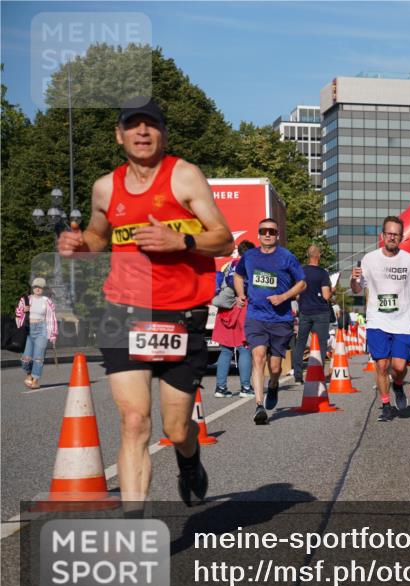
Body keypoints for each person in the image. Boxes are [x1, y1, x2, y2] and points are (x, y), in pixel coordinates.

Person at [57, 97, 234, 508]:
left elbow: (223, 238)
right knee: (134, 421)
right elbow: (100, 237)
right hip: (124, 312)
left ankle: (189, 459)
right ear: (119, 135)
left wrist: (182, 241)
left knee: (175, 429)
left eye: (150, 125)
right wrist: (80, 245)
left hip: (180, 315)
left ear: (162, 133)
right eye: (133, 125)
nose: (142, 132)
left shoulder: (185, 177)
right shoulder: (106, 187)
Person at [233, 218, 306, 425]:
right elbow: (238, 277)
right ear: (258, 234)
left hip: (281, 319)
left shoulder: (287, 257)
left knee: (275, 368)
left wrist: (283, 297)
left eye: (272, 232)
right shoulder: (249, 256)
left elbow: (302, 283)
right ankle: (258, 406)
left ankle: (273, 385)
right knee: (258, 356)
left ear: (277, 235)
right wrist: (241, 294)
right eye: (264, 231)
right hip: (256, 316)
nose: (267, 234)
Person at [350, 216, 410, 422]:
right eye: (389, 234)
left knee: (399, 368)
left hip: (403, 321)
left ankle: (398, 386)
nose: (392, 237)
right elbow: (357, 288)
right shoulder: (369, 259)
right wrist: (354, 278)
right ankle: (385, 404)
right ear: (382, 236)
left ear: (401, 237)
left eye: (396, 234)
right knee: (382, 365)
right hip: (377, 320)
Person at [212, 240, 254, 398]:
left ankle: (220, 388)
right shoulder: (249, 267)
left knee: (225, 350)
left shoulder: (228, 266)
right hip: (242, 308)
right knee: (244, 348)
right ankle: (245, 387)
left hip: (224, 309)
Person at [292, 244, 333, 383]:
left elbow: (296, 295)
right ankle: (318, 374)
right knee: (321, 344)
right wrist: (331, 290)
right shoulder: (323, 273)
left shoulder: (301, 272)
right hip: (321, 312)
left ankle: (298, 374)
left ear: (308, 256)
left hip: (305, 311)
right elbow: (326, 296)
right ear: (319, 256)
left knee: (301, 343)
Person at [15, 277, 58, 389]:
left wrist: (53, 335)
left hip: (42, 330)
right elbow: (18, 313)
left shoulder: (47, 301)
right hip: (28, 330)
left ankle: (36, 380)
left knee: (38, 357)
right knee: (26, 358)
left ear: (43, 289)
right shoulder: (26, 299)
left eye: (40, 287)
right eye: (35, 287)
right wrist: (23, 310)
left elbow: (51, 318)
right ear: (32, 288)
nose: (38, 289)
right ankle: (29, 375)